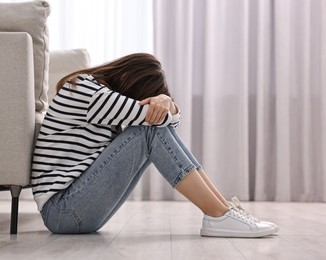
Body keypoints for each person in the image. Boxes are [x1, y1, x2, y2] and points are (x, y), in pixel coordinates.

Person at [32, 53, 278, 238]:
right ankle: (219, 215)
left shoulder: (98, 96)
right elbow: (156, 119)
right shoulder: (85, 90)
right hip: (63, 211)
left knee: (153, 126)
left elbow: (169, 120)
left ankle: (223, 210)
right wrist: (164, 103)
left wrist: (166, 103)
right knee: (148, 129)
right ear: (130, 81)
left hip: (73, 210)